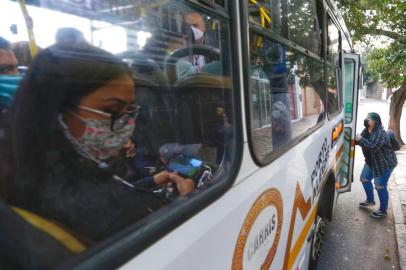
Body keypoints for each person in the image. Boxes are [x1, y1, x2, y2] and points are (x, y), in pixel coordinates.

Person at [9, 41, 196, 243]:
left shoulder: (61, 168)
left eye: (129, 112)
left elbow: (110, 192)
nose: (127, 125)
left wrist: (151, 182)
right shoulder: (70, 201)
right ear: (57, 112)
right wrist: (186, 202)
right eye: (111, 111)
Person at [355, 112, 398, 219]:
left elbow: (373, 147)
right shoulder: (367, 131)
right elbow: (360, 141)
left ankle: (383, 210)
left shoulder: (381, 133)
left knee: (380, 186)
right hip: (371, 162)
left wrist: (360, 139)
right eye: (366, 118)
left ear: (375, 122)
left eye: (368, 119)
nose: (366, 120)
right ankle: (370, 201)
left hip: (385, 164)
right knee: (364, 179)